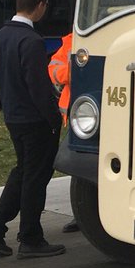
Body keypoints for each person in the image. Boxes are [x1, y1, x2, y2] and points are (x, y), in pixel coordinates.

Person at [0, 0, 66, 258]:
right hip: (36, 121)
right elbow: (39, 88)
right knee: (35, 179)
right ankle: (30, 237)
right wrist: (54, 119)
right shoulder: (32, 42)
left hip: (14, 117)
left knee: (23, 173)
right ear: (40, 6)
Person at [47, 32, 80, 234]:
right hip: (77, 115)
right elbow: (53, 69)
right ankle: (81, 215)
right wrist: (74, 70)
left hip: (85, 114)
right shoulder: (70, 41)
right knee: (78, 169)